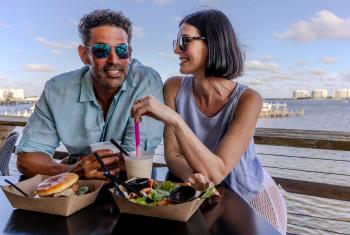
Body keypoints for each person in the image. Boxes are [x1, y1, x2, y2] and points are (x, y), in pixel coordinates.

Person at [131, 9, 287, 234]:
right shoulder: (174, 87)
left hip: (250, 197)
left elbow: (218, 171)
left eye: (184, 41)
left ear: (213, 43)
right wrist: (191, 176)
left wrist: (174, 119)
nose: (176, 49)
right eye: (177, 42)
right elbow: (173, 155)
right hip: (205, 196)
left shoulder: (248, 99)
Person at [16, 9, 164, 179]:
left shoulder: (146, 81)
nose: (114, 60)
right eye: (101, 51)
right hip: (77, 192)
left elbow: (133, 158)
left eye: (121, 50)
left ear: (129, 54)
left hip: (130, 190)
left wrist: (78, 166)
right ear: (84, 55)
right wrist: (70, 171)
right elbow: (27, 158)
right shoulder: (57, 90)